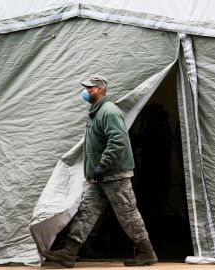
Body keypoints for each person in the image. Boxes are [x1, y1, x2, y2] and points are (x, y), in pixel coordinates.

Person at [42, 75, 158, 267]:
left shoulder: (109, 112)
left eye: (89, 88)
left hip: (113, 175)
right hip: (98, 176)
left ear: (99, 89)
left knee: (127, 214)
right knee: (85, 213)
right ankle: (69, 253)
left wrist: (102, 165)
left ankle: (147, 252)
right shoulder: (97, 112)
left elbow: (118, 141)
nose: (85, 91)